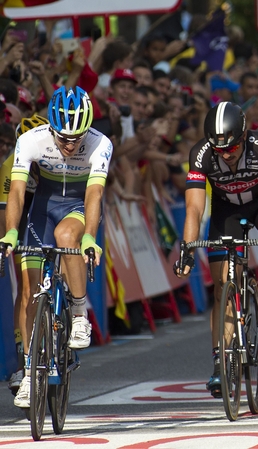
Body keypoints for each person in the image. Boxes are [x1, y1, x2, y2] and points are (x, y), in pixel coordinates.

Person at [174, 102, 258, 398]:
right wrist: (187, 248)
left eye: (231, 148)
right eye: (220, 150)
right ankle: (220, 363)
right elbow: (193, 207)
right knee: (222, 289)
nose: (226, 154)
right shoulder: (202, 153)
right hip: (225, 211)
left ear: (243, 138)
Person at [0, 87, 110, 409]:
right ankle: (31, 370)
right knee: (32, 292)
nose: (70, 145)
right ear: (51, 127)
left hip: (77, 205)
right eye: (63, 138)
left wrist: (89, 236)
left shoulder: (100, 143)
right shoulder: (31, 140)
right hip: (42, 209)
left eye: (77, 138)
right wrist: (9, 234)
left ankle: (78, 312)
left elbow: (94, 195)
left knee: (66, 236)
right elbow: (18, 193)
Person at [1, 115, 46, 395]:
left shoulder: (52, 159)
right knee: (25, 288)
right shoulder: (10, 166)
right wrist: (10, 238)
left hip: (47, 213)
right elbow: (7, 212)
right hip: (21, 218)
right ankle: (22, 358)